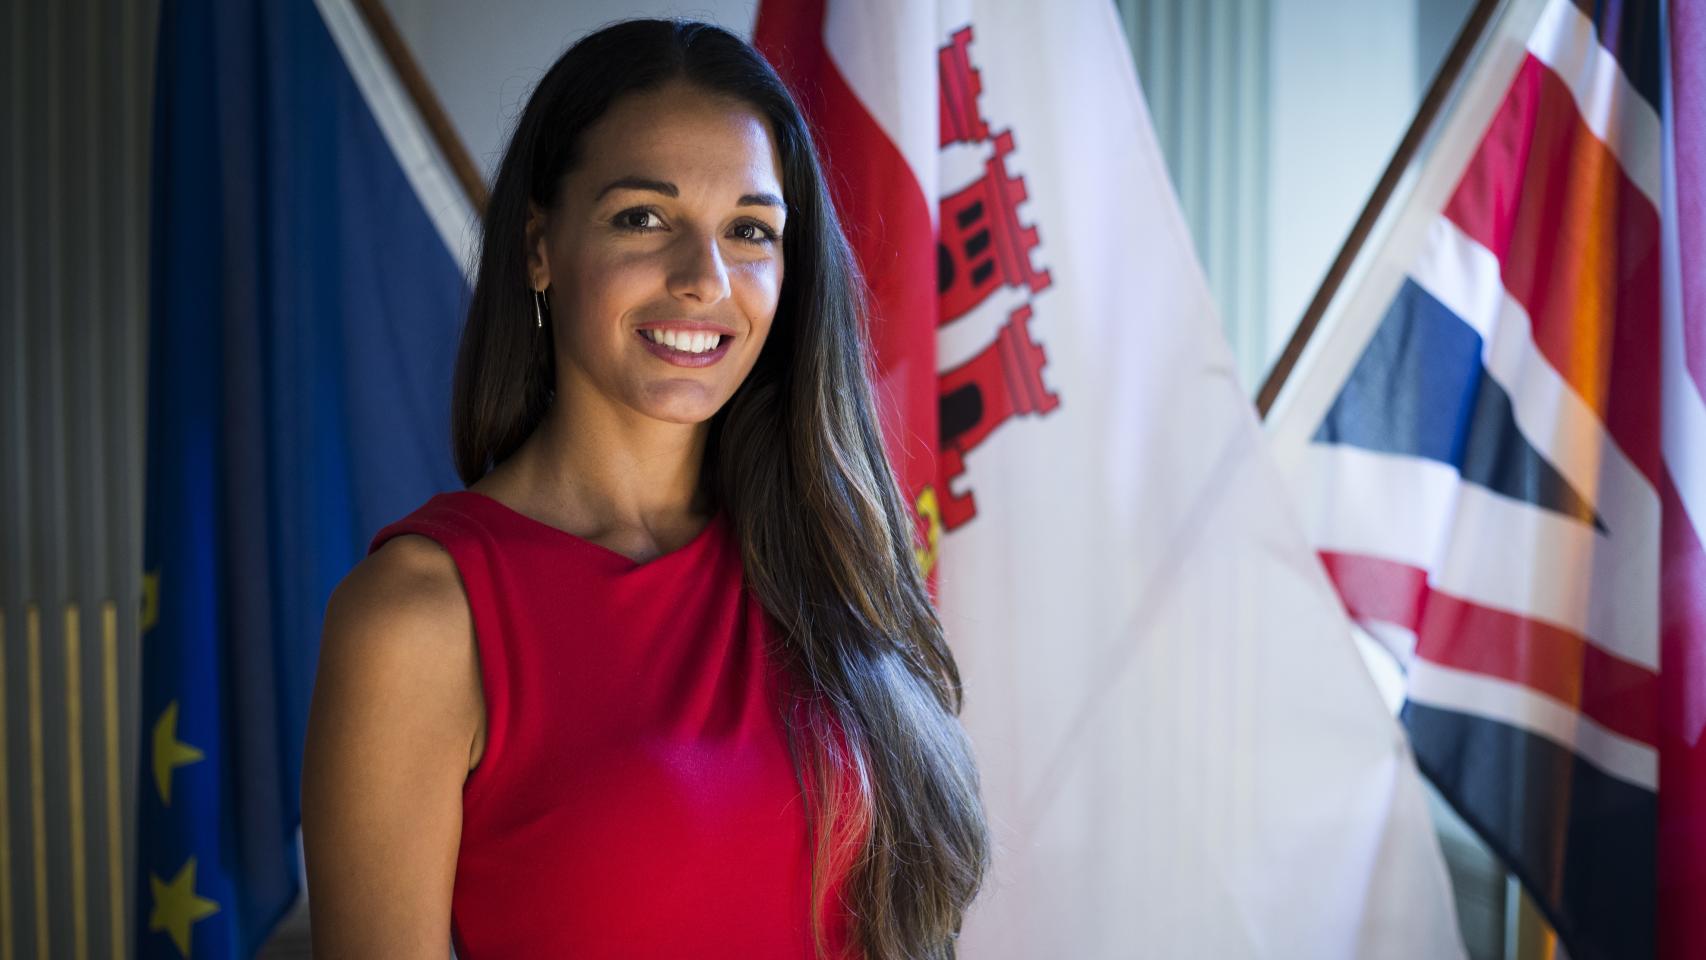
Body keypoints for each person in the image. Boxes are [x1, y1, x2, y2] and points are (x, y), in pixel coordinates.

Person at [300, 19, 989, 960]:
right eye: (644, 218)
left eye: (750, 231)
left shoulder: (829, 558)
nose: (704, 281)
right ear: (539, 246)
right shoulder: (420, 620)